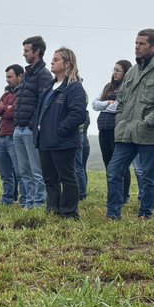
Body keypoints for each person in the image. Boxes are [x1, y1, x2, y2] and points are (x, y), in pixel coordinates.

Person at [105, 30, 154, 220]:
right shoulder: (131, 72)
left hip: (149, 134)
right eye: (136, 43)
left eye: (142, 44)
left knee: (147, 176)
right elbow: (120, 101)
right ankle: (113, 214)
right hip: (125, 133)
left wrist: (147, 123)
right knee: (114, 172)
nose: (137, 47)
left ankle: (146, 214)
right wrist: (120, 122)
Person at [37, 47, 89, 219]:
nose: (52, 62)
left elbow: (78, 114)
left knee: (67, 178)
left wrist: (59, 131)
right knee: (50, 178)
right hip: (45, 141)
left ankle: (69, 212)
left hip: (63, 142)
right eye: (52, 59)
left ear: (67, 63)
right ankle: (53, 209)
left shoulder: (74, 88)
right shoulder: (49, 87)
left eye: (56, 59)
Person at [12, 35, 53, 210]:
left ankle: (38, 203)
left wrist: (31, 124)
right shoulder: (27, 74)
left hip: (30, 130)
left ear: (37, 52)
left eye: (27, 51)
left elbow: (42, 102)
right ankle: (28, 203)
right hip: (18, 129)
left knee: (36, 171)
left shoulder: (43, 75)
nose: (24, 54)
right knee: (23, 171)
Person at [94, 61, 131, 206]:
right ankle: (113, 194)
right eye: (114, 70)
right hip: (103, 129)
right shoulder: (107, 87)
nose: (115, 73)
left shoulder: (127, 88)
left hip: (117, 129)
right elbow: (95, 104)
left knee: (120, 165)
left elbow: (118, 107)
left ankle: (124, 196)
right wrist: (106, 104)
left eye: (118, 70)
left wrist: (106, 105)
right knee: (108, 165)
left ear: (126, 73)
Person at [0, 65, 22, 204]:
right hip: (1, 137)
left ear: (19, 76)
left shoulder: (21, 93)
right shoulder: (6, 94)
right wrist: (5, 108)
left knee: (19, 172)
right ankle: (7, 199)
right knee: (5, 173)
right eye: (6, 77)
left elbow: (13, 111)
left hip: (13, 136)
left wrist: (2, 109)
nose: (7, 80)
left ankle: (25, 199)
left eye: (10, 77)